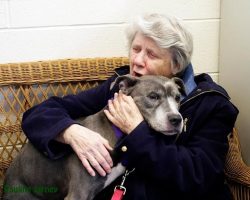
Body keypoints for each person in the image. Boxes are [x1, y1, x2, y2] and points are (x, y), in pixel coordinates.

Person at [22, 13, 238, 200]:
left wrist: (137, 131)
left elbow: (197, 177)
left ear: (177, 65)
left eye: (151, 54)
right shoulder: (123, 86)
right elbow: (39, 114)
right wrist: (71, 132)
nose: (137, 61)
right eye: (136, 49)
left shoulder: (212, 105)